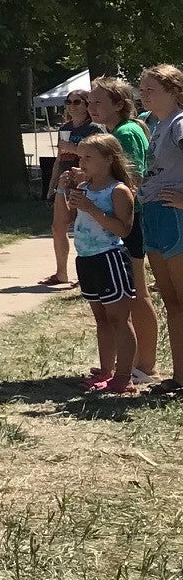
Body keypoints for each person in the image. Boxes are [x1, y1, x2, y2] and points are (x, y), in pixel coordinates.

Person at [88, 76, 159, 381]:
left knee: (138, 294)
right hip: (132, 220)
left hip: (133, 220)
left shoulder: (125, 133)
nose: (91, 106)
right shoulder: (120, 130)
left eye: (98, 101)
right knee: (133, 294)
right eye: (89, 101)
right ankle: (132, 363)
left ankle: (144, 365)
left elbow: (136, 179)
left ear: (119, 104)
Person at [64, 132, 140, 394]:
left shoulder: (117, 190)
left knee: (119, 319)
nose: (81, 162)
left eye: (88, 157)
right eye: (79, 157)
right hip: (86, 258)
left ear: (108, 159)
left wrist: (91, 208)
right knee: (101, 319)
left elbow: (124, 230)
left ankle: (124, 376)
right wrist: (68, 192)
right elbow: (71, 217)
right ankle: (106, 370)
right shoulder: (85, 187)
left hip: (110, 258)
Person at [134, 64, 183, 395]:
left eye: (151, 89)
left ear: (174, 91)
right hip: (155, 215)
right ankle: (179, 376)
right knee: (171, 300)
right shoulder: (157, 124)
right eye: (142, 89)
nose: (143, 94)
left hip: (174, 217)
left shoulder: (180, 124)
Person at [43, 89, 103, 287]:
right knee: (58, 226)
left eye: (77, 102)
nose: (71, 105)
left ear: (87, 105)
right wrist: (51, 187)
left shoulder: (95, 128)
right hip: (65, 181)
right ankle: (61, 273)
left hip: (87, 183)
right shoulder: (65, 128)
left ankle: (84, 274)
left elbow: (99, 156)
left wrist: (73, 149)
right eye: (68, 102)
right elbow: (59, 159)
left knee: (82, 227)